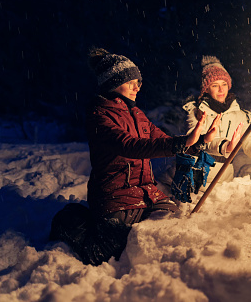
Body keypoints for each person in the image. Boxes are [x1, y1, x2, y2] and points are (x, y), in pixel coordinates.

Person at [49, 48, 220, 266]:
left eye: (138, 82)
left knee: (170, 231)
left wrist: (199, 141)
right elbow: (130, 146)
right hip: (116, 199)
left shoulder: (137, 114)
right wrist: (182, 142)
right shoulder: (99, 116)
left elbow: (162, 140)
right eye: (130, 82)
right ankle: (75, 223)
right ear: (112, 83)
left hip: (148, 194)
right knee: (111, 255)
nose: (137, 87)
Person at [181, 55, 251, 185]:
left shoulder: (241, 115)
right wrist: (225, 146)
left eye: (224, 84)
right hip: (193, 177)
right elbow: (193, 141)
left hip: (223, 180)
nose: (221, 90)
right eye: (215, 85)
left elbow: (247, 144)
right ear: (206, 89)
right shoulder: (195, 112)